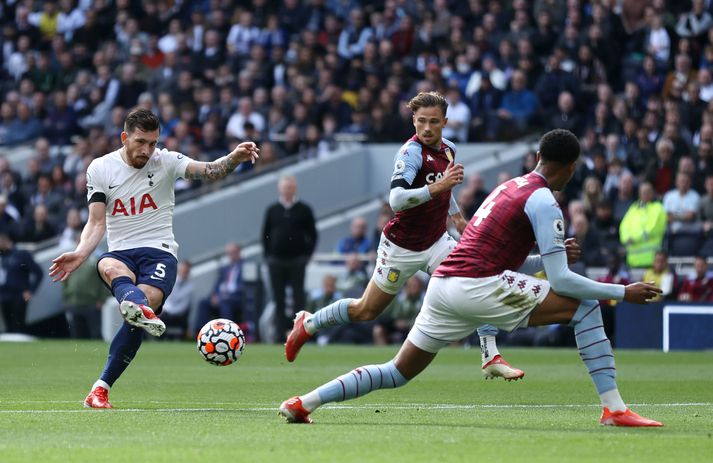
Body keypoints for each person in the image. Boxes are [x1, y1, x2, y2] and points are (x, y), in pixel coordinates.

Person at [279, 129, 663, 427]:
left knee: (397, 372)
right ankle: (614, 409)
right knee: (586, 305)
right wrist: (622, 292)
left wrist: (550, 255)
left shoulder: (509, 187)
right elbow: (561, 282)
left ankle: (303, 402)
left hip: (445, 285)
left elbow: (494, 255)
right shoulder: (545, 200)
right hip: (477, 286)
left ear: (537, 157)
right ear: (572, 167)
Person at [285, 91, 524, 381]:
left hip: (436, 241)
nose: (426, 128)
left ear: (445, 122)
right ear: (413, 120)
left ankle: (490, 355)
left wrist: (457, 217)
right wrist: (440, 187)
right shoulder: (410, 153)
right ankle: (308, 324)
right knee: (366, 310)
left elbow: (442, 187)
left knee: (477, 278)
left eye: (433, 122)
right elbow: (397, 200)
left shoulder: (449, 149)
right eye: (421, 121)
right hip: (401, 246)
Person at [49, 108, 259, 408]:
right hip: (120, 251)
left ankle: (106, 373)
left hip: (158, 252)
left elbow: (210, 170)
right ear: (124, 138)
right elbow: (97, 223)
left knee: (137, 306)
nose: (147, 150)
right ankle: (103, 382)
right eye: (140, 142)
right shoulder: (100, 168)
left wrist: (234, 158)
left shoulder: (167, 161)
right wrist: (81, 253)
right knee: (106, 264)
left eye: (152, 142)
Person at [261, 175, 317, 343]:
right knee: (278, 300)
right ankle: (279, 336)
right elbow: (265, 234)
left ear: (295, 188)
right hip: (276, 260)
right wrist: (268, 256)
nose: (288, 190)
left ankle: (298, 336)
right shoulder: (272, 209)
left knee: (299, 299)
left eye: (290, 187)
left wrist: (306, 256)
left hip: (297, 260)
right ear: (280, 189)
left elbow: (312, 234)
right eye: (285, 187)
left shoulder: (304, 209)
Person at [194, 242, 244, 336]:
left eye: (233, 252)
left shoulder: (244, 267)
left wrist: (222, 297)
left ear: (239, 252)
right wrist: (213, 296)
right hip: (220, 297)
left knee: (225, 302)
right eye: (229, 253)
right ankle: (200, 333)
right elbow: (217, 286)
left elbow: (243, 287)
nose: (231, 255)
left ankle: (228, 333)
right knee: (203, 303)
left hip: (235, 298)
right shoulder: (225, 269)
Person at [0, 232, 43, 333]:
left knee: (18, 326)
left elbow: (38, 273)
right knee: (8, 327)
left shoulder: (21, 255)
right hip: (4, 296)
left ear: (5, 240)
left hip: (19, 296)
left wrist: (31, 291)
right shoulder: (2, 256)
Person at [160, 260, 194, 339]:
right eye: (182, 270)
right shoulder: (170, 280)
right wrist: (165, 310)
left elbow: (183, 306)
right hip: (165, 312)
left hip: (178, 315)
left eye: (186, 271)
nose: (184, 272)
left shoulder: (190, 287)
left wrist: (170, 311)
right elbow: (166, 298)